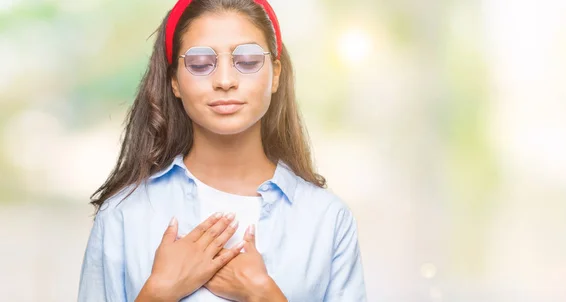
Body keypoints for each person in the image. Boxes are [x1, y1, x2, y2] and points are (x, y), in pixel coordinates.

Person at [77, 0, 367, 301]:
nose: (225, 81)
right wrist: (157, 293)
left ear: (276, 73)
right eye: (201, 64)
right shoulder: (123, 214)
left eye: (249, 60)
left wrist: (264, 294)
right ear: (174, 80)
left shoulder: (328, 219)